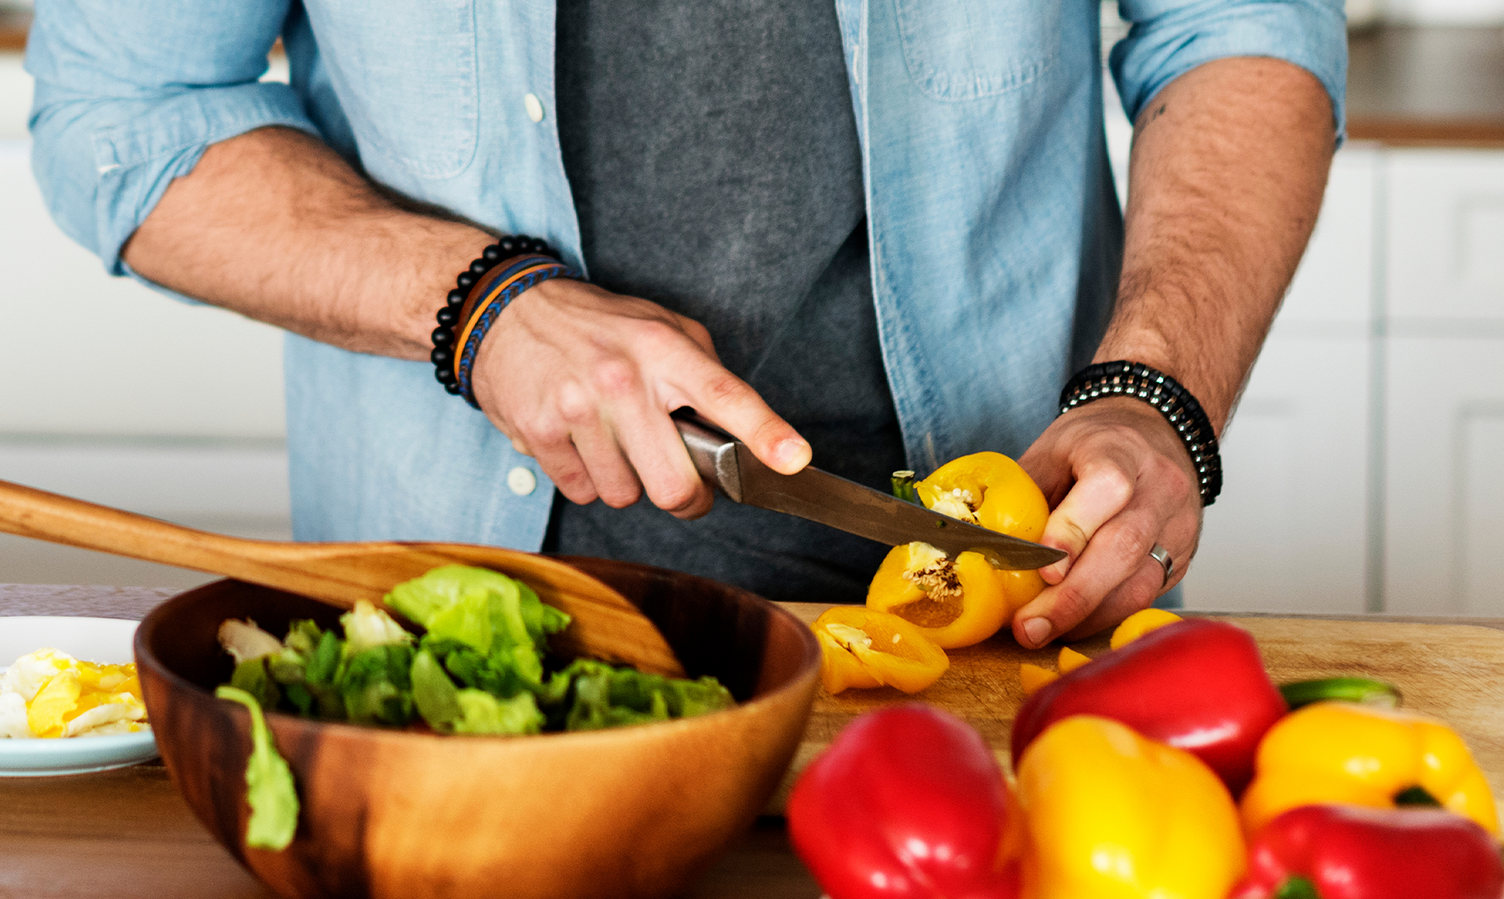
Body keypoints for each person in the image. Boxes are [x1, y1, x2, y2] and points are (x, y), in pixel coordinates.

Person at [25, 0, 1343, 648]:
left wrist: (1158, 388)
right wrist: (480, 311)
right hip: (463, 637)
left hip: (1006, 628)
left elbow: (1242, 27)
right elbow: (120, 115)